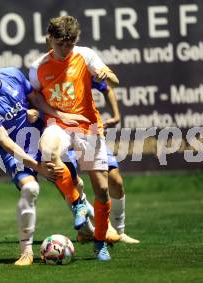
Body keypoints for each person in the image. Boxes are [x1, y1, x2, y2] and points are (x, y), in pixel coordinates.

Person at [0, 49, 88, 266]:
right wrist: (35, 166)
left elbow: (35, 99)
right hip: (14, 152)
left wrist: (37, 111)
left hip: (39, 136)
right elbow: (4, 141)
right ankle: (26, 252)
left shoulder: (13, 74)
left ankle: (88, 228)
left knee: (69, 178)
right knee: (30, 188)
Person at [29, 15, 119, 261]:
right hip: (58, 123)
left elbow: (111, 77)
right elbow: (36, 98)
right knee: (48, 152)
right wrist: (57, 114)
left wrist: (105, 74)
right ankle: (78, 202)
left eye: (70, 44)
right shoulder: (37, 67)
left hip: (87, 126)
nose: (65, 49)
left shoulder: (85, 55)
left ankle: (99, 242)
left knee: (102, 190)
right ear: (49, 39)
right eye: (60, 44)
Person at [75, 79, 140, 244]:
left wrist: (116, 115)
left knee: (115, 180)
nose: (65, 51)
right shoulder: (45, 69)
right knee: (71, 183)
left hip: (90, 132)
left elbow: (107, 88)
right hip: (63, 133)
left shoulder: (82, 67)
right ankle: (87, 229)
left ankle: (119, 232)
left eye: (69, 49)